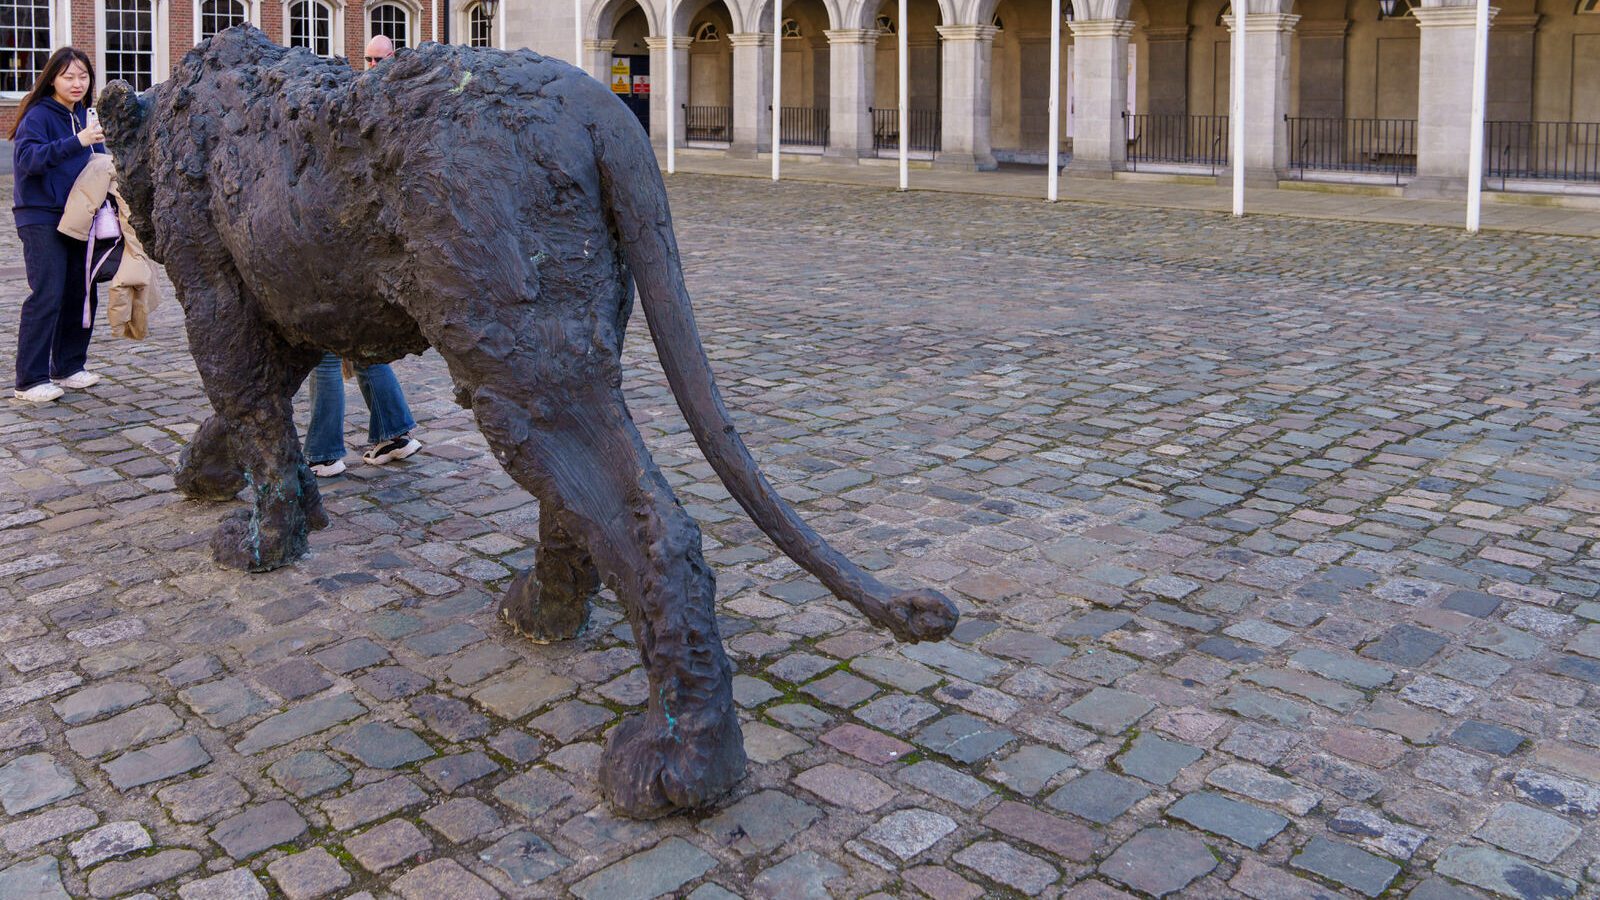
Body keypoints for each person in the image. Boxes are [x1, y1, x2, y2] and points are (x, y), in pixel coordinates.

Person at [302, 33, 422, 477]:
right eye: (367, 59)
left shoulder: (389, 112)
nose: (371, 66)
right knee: (361, 345)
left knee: (329, 351)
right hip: (364, 245)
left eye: (379, 59)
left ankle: (324, 453)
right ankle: (393, 433)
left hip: (351, 244)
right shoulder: (365, 102)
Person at [10, 47, 105, 404]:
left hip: (80, 216)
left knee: (81, 292)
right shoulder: (38, 115)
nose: (77, 83)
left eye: (83, 76)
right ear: (52, 78)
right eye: (69, 76)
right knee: (47, 292)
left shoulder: (83, 115)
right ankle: (30, 379)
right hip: (40, 215)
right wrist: (77, 142)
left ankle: (68, 366)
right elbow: (30, 159)